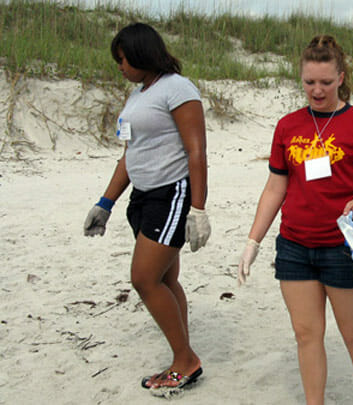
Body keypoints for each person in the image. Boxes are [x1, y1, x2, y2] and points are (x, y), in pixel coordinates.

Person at [236, 35, 353, 405]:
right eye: (309, 82)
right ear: (300, 78)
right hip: (294, 246)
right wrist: (253, 241)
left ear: (341, 77)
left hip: (343, 246)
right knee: (307, 335)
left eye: (325, 82)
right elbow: (275, 187)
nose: (316, 91)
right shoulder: (288, 126)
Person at [82, 22, 210, 396]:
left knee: (143, 279)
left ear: (140, 54)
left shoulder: (178, 88)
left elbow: (196, 151)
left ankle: (186, 361)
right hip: (143, 197)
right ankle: (180, 355)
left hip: (172, 195)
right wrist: (105, 202)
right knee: (166, 281)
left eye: (121, 59)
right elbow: (130, 153)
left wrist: (198, 209)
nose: (118, 66)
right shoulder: (138, 94)